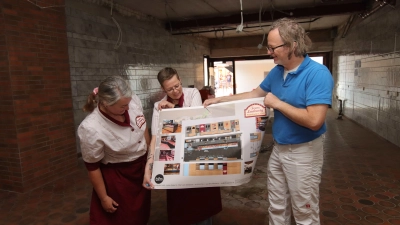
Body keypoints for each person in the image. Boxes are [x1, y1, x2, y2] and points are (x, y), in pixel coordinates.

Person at [204, 18, 334, 225]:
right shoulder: (277, 71)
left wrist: (277, 103)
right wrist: (221, 99)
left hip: (304, 152)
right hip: (279, 149)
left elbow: (314, 121)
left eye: (273, 47)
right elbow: (255, 93)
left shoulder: (317, 74)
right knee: (276, 205)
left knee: (304, 211)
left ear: (292, 46)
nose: (268, 52)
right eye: (268, 47)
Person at [143, 67, 222, 225]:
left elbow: (195, 122)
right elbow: (155, 139)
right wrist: (148, 167)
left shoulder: (192, 94)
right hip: (174, 159)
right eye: (170, 89)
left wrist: (173, 109)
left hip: (198, 154)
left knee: (203, 202)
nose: (175, 91)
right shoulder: (159, 105)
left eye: (177, 85)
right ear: (162, 89)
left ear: (180, 80)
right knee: (181, 205)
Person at [77, 76, 151, 225]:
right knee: (122, 218)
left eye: (128, 104)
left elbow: (142, 128)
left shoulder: (131, 100)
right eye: (122, 107)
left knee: (140, 216)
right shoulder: (91, 128)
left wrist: (150, 157)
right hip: (119, 179)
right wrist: (103, 197)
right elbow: (93, 167)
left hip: (140, 170)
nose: (128, 108)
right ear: (105, 103)